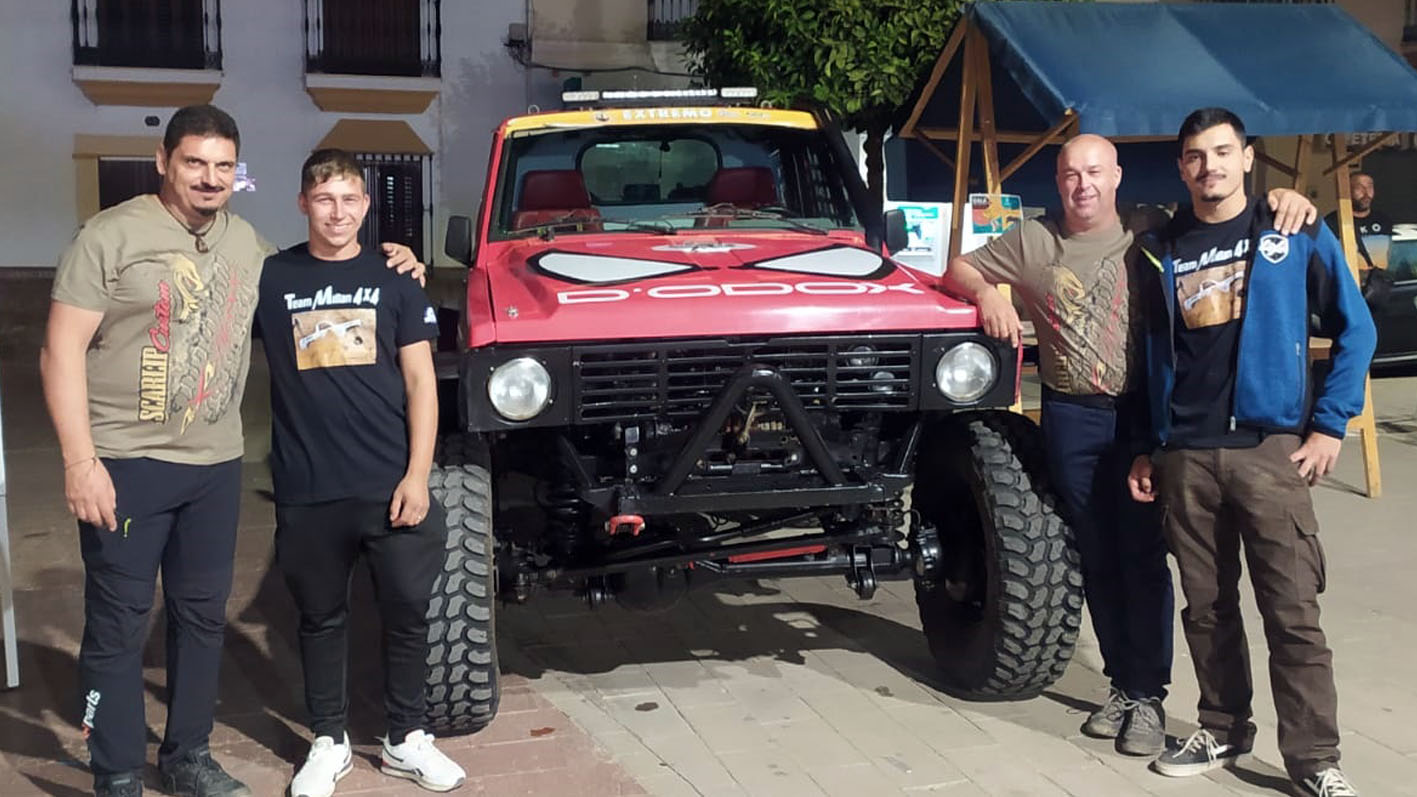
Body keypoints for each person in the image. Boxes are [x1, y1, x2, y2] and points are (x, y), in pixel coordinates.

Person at [40, 105, 423, 797]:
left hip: (213, 466)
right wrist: (78, 461)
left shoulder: (248, 246)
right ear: (164, 161)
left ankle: (188, 753)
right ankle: (119, 768)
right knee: (119, 621)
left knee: (199, 615)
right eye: (195, 162)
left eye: (223, 166)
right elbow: (59, 349)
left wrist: (396, 258)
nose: (209, 178)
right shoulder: (111, 235)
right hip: (125, 461)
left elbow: (319, 271)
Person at [939, 134, 1315, 758]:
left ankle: (1148, 695)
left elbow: (1228, 207)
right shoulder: (1036, 240)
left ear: (1116, 177)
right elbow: (960, 267)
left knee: (1142, 556)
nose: (1081, 185)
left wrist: (1283, 196)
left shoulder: (1153, 229)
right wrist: (985, 295)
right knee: (1096, 556)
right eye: (1068, 174)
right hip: (1070, 416)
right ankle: (1122, 684)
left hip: (1142, 415)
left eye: (1093, 171)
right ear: (1056, 181)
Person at [1128, 108, 1375, 797]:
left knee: (1292, 612)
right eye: (1193, 157)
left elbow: (1355, 329)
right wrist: (1152, 444)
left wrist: (1329, 426)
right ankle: (1222, 725)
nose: (1207, 167)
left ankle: (1313, 760)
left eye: (1220, 152)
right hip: (1185, 454)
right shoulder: (1161, 246)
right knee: (1204, 608)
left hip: (1269, 451)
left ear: (1246, 157)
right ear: (1181, 168)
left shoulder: (1291, 228)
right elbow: (1151, 352)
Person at [255, 149, 464, 796]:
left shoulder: (396, 278)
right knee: (319, 617)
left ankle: (405, 738)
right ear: (302, 204)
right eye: (323, 199)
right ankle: (328, 739)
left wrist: (417, 474)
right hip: (307, 485)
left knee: (407, 613)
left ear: (366, 205)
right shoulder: (271, 276)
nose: (337, 211)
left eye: (349, 198)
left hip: (388, 482)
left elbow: (421, 382)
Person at [1323, 172, 1393, 270]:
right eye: (1359, 188)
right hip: (1347, 283)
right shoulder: (1332, 222)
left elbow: (1390, 254)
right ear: (1348, 190)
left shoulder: (1383, 220)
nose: (1366, 193)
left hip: (1378, 282)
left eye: (1370, 187)